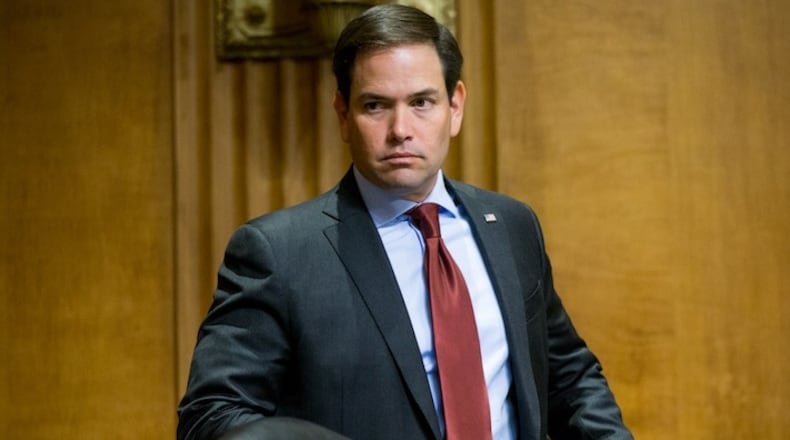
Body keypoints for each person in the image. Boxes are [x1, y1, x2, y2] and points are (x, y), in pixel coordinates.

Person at [177, 4, 632, 440]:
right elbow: (212, 418)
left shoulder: (512, 226)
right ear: (343, 114)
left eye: (422, 102)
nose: (400, 129)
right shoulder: (280, 254)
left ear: (454, 107)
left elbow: (570, 380)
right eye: (375, 105)